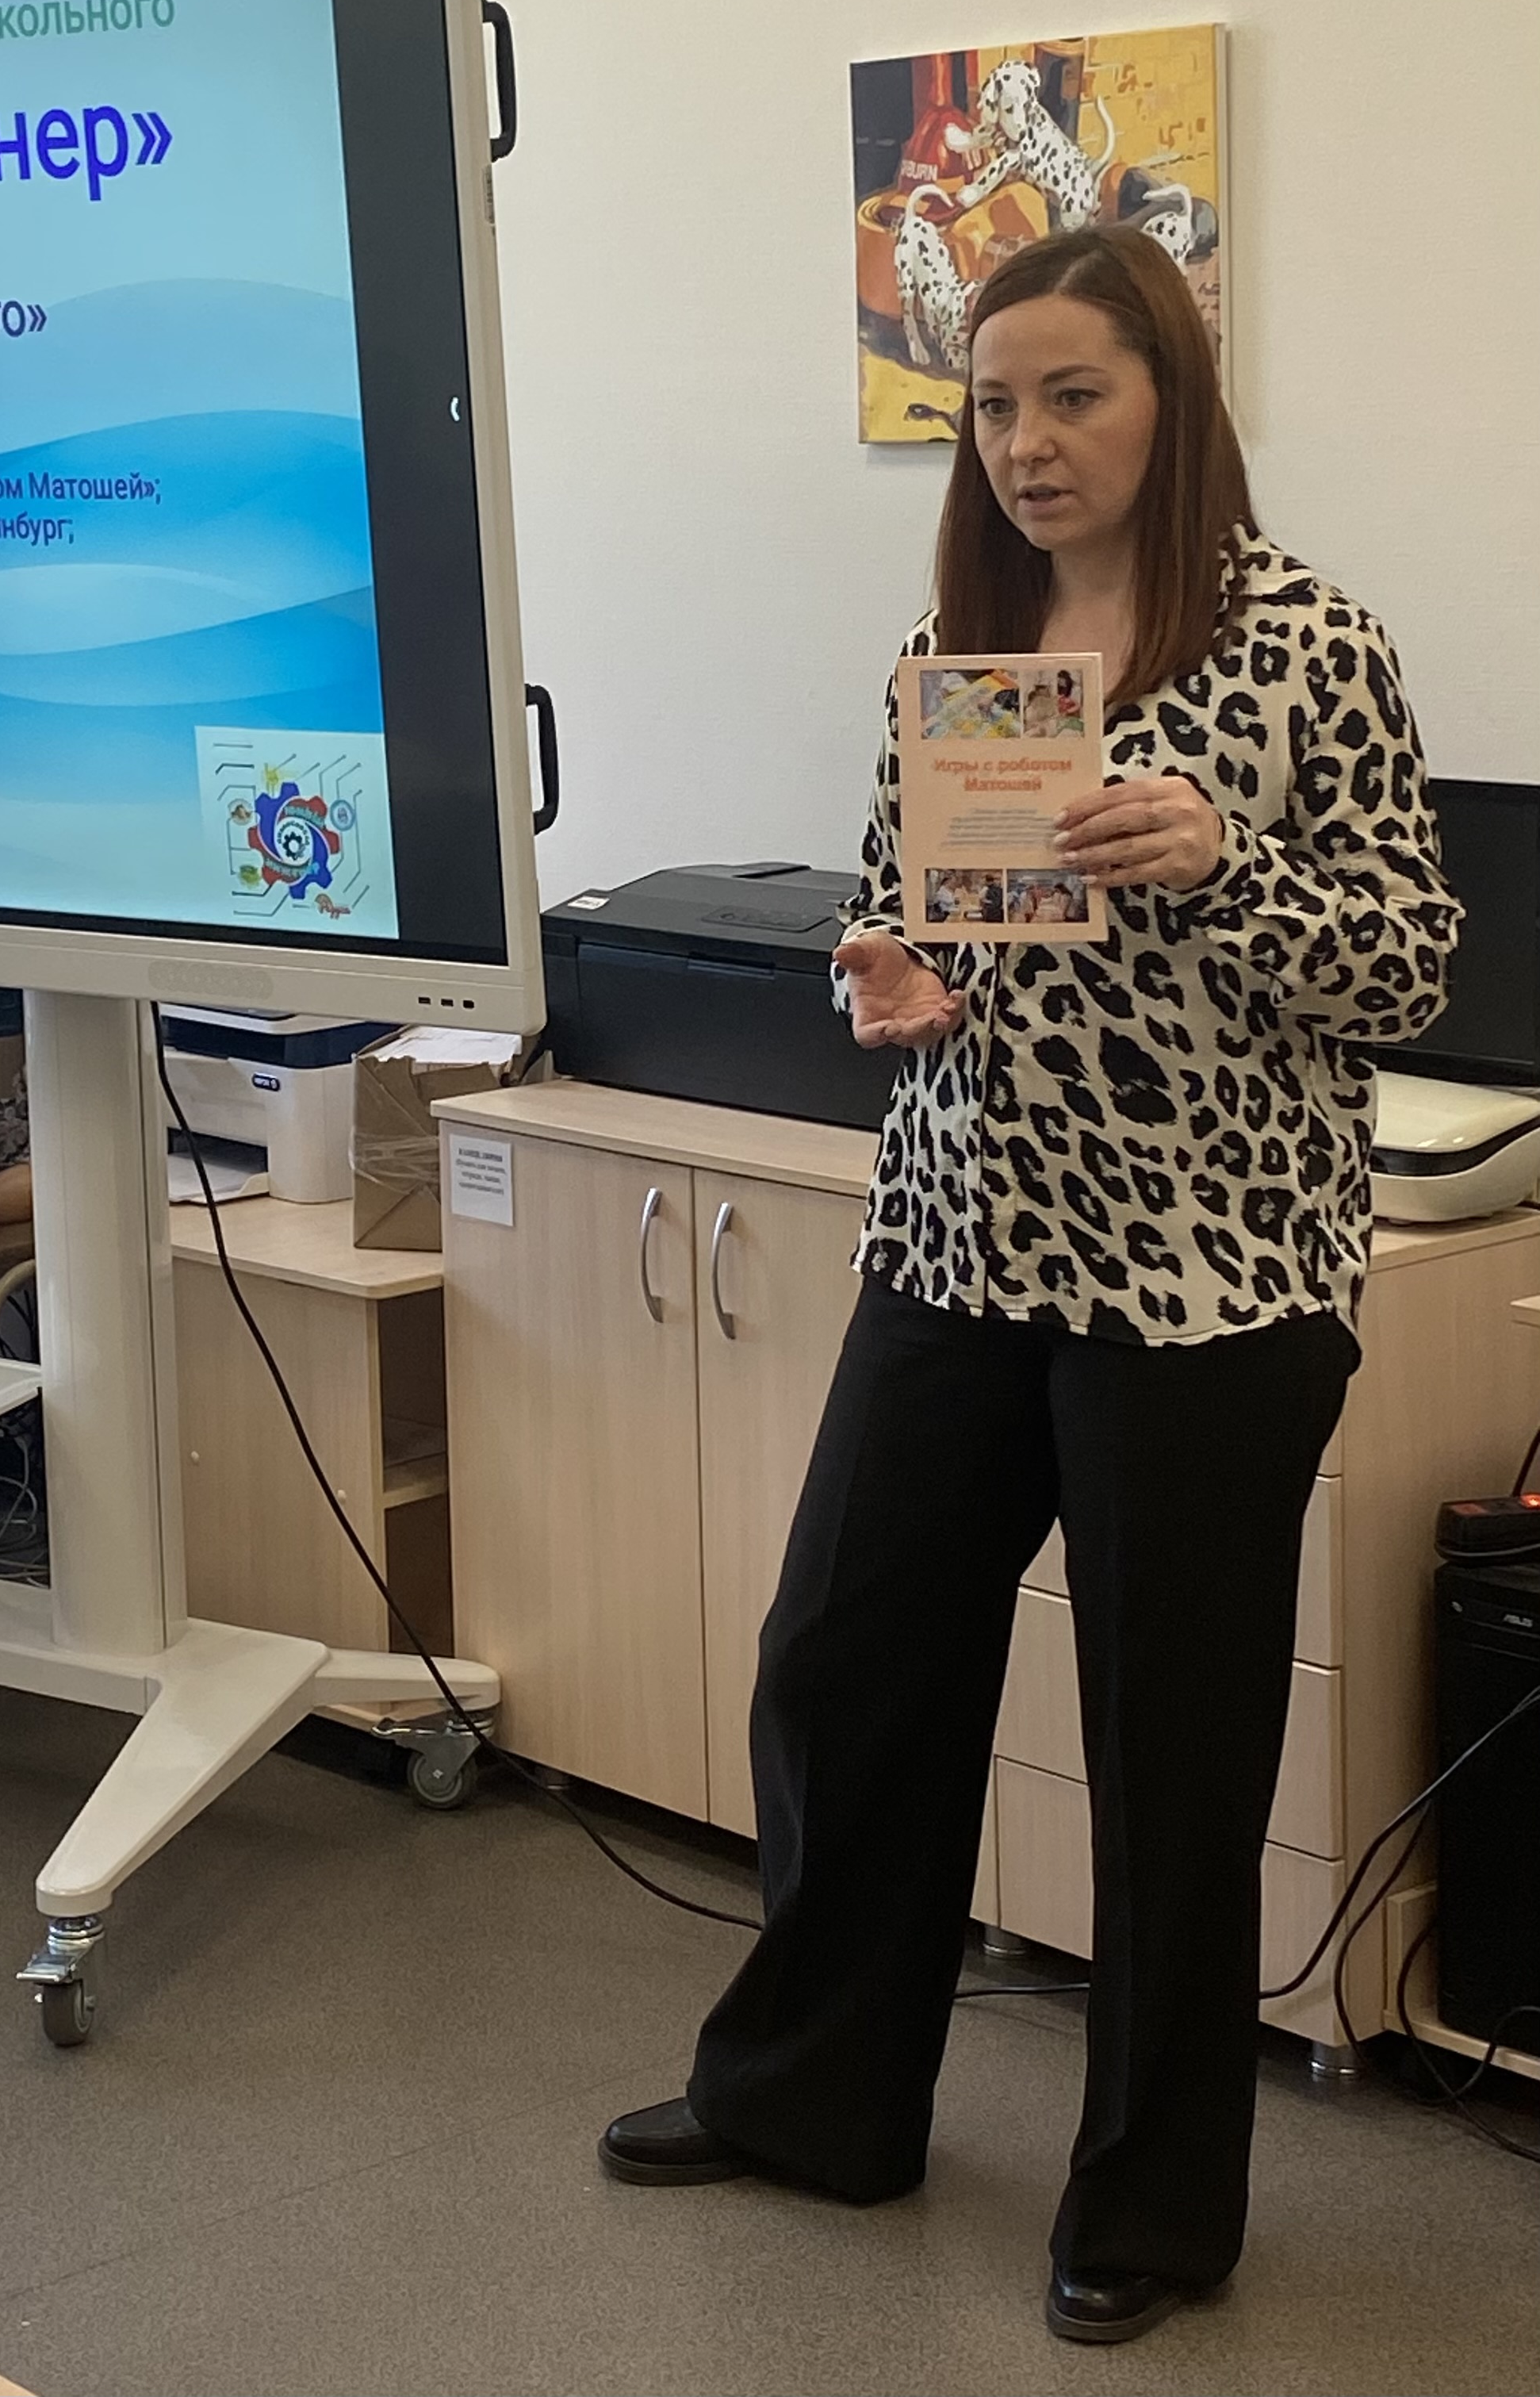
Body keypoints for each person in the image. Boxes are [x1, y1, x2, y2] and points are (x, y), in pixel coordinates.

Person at [597, 224, 1460, 2345]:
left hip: (1209, 1282)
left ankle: (1151, 2207)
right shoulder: (961, 641)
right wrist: (889, 974)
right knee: (842, 1660)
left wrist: (1225, 866)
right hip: (960, 1240)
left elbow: (1410, 967)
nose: (1026, 441)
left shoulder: (1306, 645)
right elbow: (909, 909)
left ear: (1170, 398)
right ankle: (815, 2098)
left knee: (1171, 1751)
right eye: (991, 403)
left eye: (1073, 394)